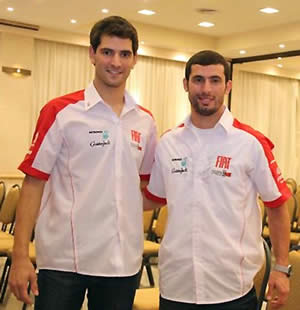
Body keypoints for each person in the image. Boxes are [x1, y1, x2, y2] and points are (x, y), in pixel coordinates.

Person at [9, 15, 157, 310]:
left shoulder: (145, 121)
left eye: (124, 54)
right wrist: (21, 254)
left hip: (121, 263)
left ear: (134, 60)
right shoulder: (61, 112)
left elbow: (144, 187)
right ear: (92, 54)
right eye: (107, 52)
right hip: (64, 261)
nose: (116, 62)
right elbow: (33, 184)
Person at [143, 50, 291, 310]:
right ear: (186, 84)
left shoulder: (250, 143)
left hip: (231, 288)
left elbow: (277, 205)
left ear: (228, 86)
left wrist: (280, 267)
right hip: (177, 286)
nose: (206, 88)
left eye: (215, 80)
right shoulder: (168, 144)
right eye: (198, 80)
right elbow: (151, 198)